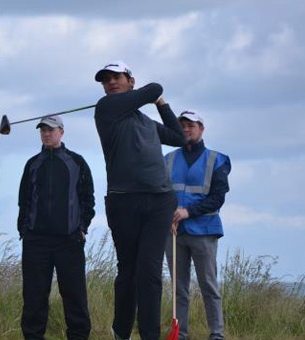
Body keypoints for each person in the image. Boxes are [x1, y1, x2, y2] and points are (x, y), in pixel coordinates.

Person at [93, 61, 185, 340]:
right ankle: (121, 331)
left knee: (150, 272)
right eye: (106, 80)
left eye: (116, 77)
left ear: (130, 81)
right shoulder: (106, 109)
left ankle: (149, 335)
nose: (110, 82)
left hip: (159, 201)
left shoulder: (146, 123)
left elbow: (179, 137)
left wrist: (161, 105)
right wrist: (154, 96)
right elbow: (155, 87)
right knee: (128, 271)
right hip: (123, 201)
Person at [18, 116, 95, 340]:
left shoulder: (77, 162)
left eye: (50, 130)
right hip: (36, 241)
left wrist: (82, 228)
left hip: (69, 241)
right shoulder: (32, 163)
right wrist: (24, 230)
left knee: (75, 296)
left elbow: (87, 199)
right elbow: (24, 200)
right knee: (34, 297)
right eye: (42, 130)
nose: (46, 134)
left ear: (61, 131)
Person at [165, 111, 231, 340]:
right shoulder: (169, 159)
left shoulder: (217, 159)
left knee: (208, 285)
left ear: (201, 129)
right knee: (178, 289)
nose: (186, 129)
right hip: (174, 232)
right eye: (182, 125)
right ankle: (180, 333)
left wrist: (187, 211)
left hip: (204, 230)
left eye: (191, 125)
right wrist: (168, 217)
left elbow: (218, 197)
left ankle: (216, 333)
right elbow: (161, 193)